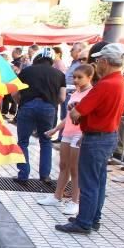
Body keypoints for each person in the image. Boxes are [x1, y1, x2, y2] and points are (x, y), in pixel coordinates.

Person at [56, 43, 124, 234]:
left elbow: (76, 113)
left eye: (98, 61)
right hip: (108, 135)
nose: (96, 64)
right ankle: (92, 218)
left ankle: (83, 222)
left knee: (88, 181)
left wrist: (76, 112)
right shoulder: (123, 82)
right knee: (99, 181)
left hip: (96, 137)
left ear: (105, 61)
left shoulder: (105, 85)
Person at [40, 64, 93, 215]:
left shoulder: (91, 93)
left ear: (89, 77)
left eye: (79, 77)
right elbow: (69, 116)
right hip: (68, 132)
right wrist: (56, 129)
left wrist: (85, 134)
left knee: (75, 168)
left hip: (80, 132)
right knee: (63, 165)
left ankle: (75, 201)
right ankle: (57, 196)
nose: (76, 80)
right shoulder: (76, 92)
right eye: (74, 77)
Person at [14, 47, 66, 183]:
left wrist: (22, 102)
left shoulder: (26, 71)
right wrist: (52, 104)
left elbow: (14, 92)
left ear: (36, 58)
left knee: (23, 142)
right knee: (45, 141)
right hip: (48, 108)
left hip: (27, 106)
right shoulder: (59, 74)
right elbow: (62, 97)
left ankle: (23, 175)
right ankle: (45, 175)